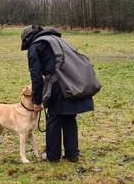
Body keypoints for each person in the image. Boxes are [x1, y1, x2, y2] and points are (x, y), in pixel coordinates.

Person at [21, 25, 94, 162]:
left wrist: (36, 101)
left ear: (27, 39)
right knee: (69, 118)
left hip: (59, 85)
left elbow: (36, 77)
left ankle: (52, 156)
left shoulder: (35, 47)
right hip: (72, 82)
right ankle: (72, 155)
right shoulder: (56, 40)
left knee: (54, 119)